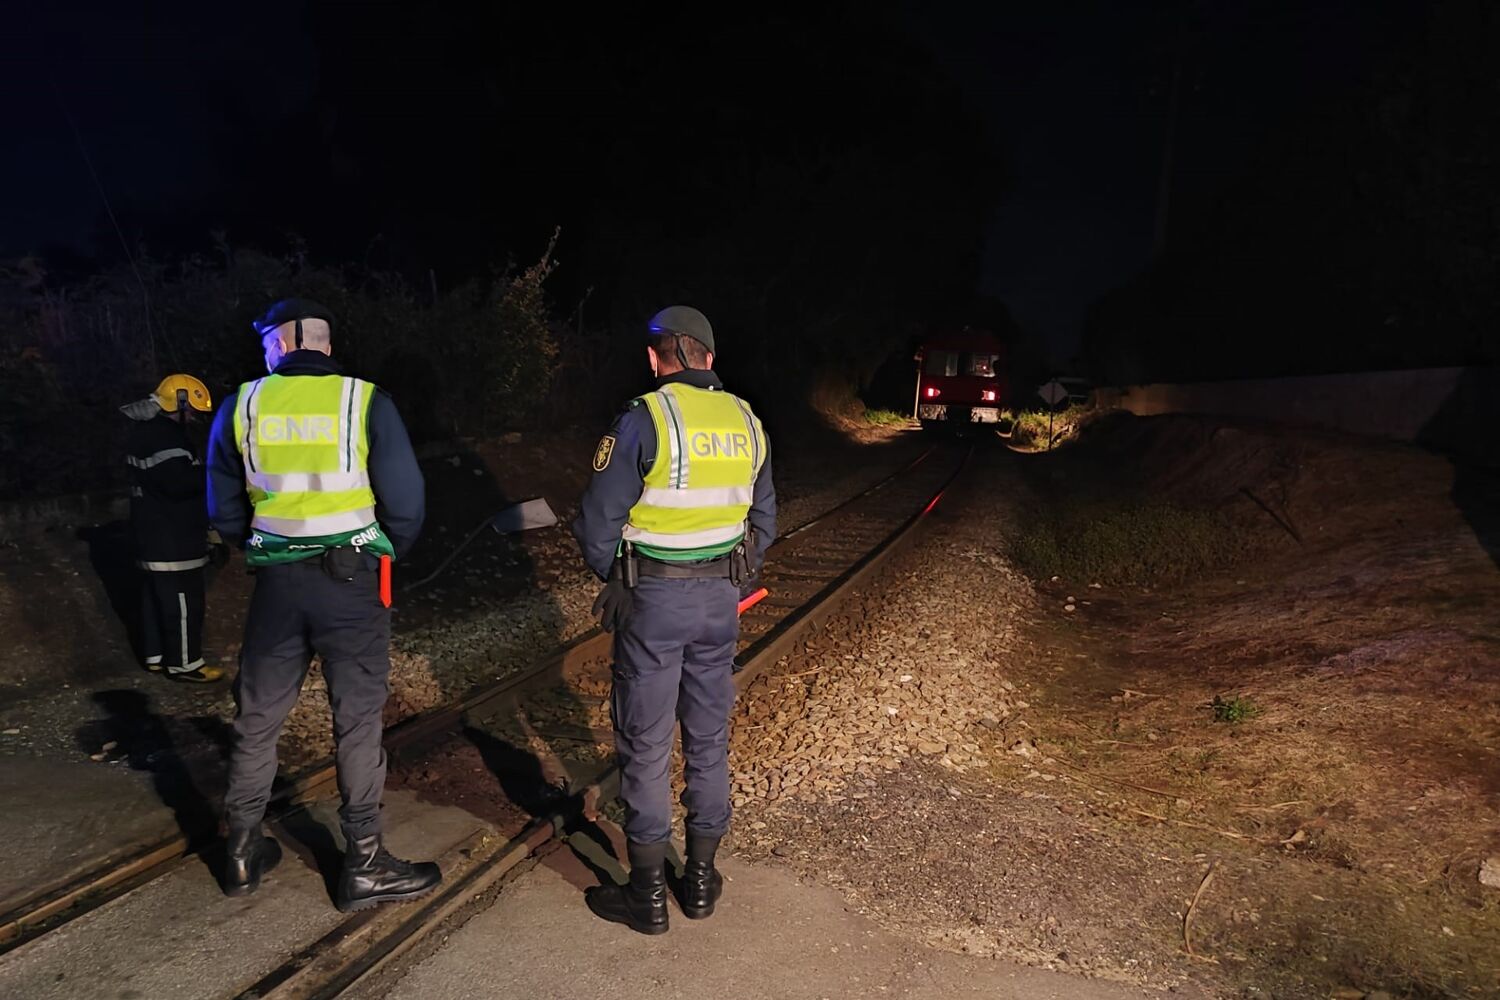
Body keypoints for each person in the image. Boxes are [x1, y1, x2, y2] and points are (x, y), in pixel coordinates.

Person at [205, 298, 441, 909]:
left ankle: (241, 851)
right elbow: (407, 501)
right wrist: (380, 551)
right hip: (351, 582)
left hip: (277, 587)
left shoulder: (242, 404)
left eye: (266, 344)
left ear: (280, 345)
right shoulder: (365, 401)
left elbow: (222, 503)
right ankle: (364, 862)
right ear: (325, 345)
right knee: (357, 721)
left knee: (258, 718)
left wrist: (260, 545)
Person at [572, 305, 776, 934]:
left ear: (654, 358)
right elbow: (764, 519)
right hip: (719, 603)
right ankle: (701, 881)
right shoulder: (748, 420)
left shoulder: (646, 417)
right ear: (710, 357)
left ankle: (647, 896)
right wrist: (732, 578)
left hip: (654, 601)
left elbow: (598, 520)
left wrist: (616, 576)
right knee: (709, 738)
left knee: (647, 741)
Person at [121, 374, 225, 684]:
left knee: (155, 598)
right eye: (191, 410)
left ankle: (155, 656)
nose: (192, 417)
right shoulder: (167, 439)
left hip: (151, 534)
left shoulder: (143, 433)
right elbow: (178, 485)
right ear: (178, 403)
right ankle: (185, 664)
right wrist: (213, 475)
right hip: (173, 537)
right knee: (183, 602)